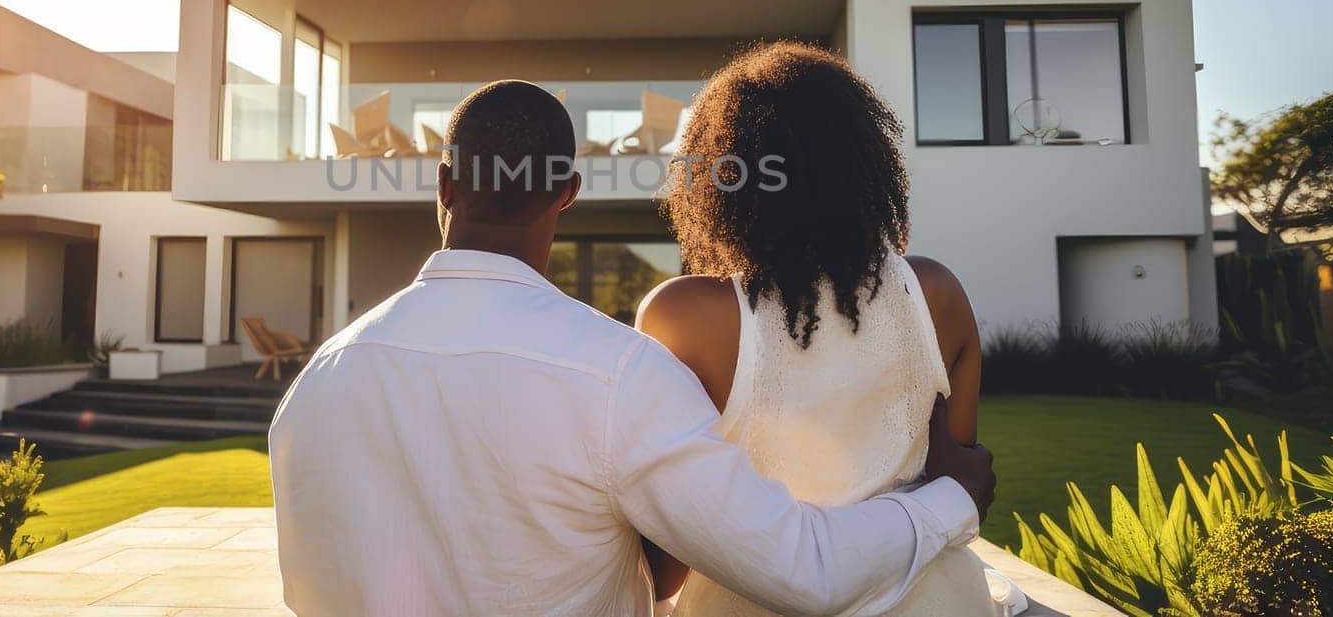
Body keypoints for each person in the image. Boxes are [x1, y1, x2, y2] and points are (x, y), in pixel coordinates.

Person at [268, 79, 995, 616]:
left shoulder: (314, 386)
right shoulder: (616, 375)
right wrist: (951, 501)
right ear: (569, 191)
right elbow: (799, 568)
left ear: (445, 186)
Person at [637, 42, 1000, 616]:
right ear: (862, 162)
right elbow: (962, 484)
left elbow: (669, 552)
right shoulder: (936, 293)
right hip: (934, 598)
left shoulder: (684, 315)